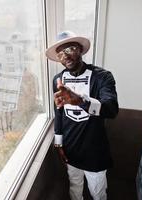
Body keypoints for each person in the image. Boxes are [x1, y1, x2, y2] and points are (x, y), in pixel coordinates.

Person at [45, 31, 118, 200]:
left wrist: (80, 101)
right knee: (74, 187)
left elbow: (112, 109)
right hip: (70, 148)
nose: (66, 56)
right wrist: (59, 144)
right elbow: (59, 111)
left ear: (80, 50)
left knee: (98, 193)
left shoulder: (102, 76)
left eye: (70, 49)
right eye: (61, 53)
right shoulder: (58, 79)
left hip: (95, 150)